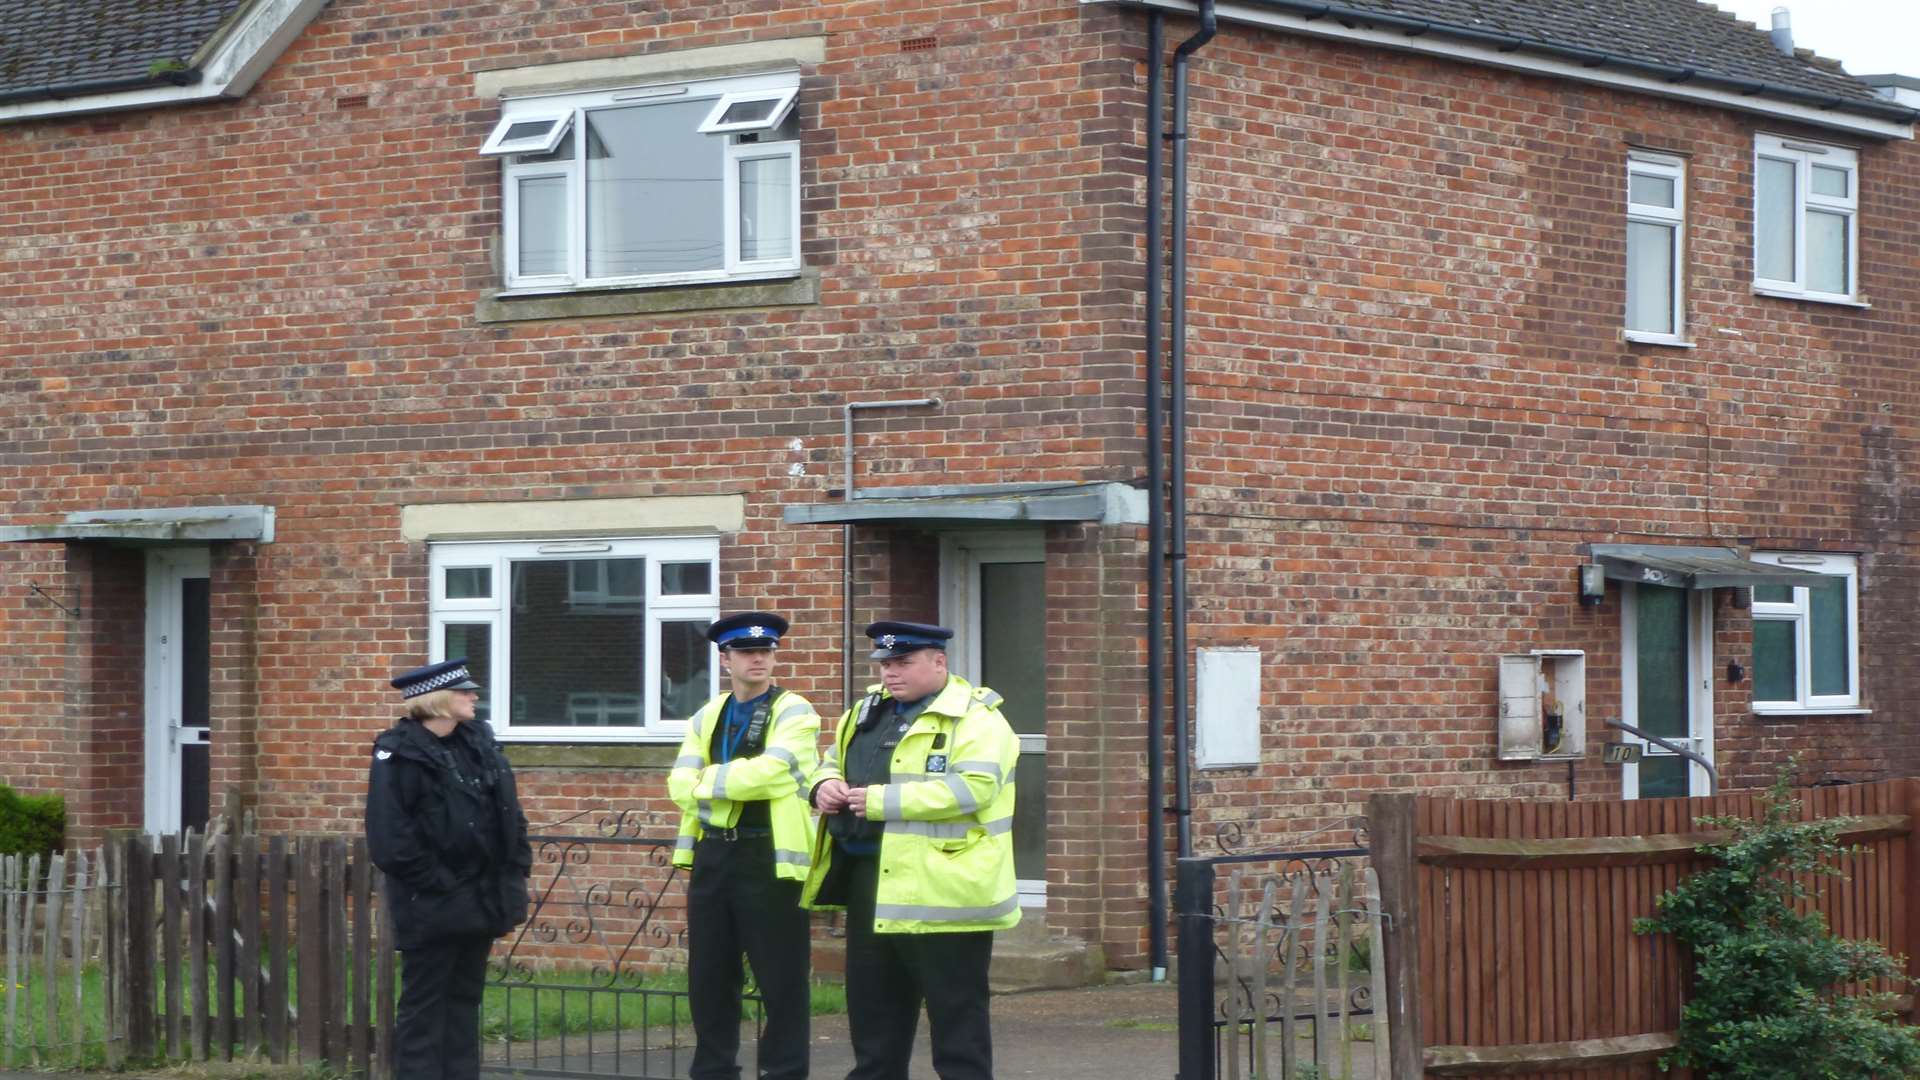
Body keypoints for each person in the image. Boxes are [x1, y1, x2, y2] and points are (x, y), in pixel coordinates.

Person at [803, 620, 1020, 1080]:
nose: (890, 673)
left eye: (903, 662)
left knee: (957, 1020)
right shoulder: (865, 712)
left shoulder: (978, 718)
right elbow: (829, 762)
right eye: (884, 663)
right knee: (874, 1013)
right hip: (872, 882)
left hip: (944, 888)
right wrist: (823, 786)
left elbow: (975, 789)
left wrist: (880, 800)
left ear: (938, 662)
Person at [668, 612, 821, 1080]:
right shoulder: (706, 714)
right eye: (748, 652)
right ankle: (712, 1070)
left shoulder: (795, 710)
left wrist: (705, 781)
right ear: (725, 659)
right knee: (710, 978)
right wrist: (708, 783)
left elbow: (773, 773)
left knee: (782, 980)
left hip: (770, 855)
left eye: (767, 651)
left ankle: (784, 1071)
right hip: (713, 855)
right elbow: (676, 782)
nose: (759, 659)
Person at [364, 657, 532, 1080]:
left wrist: (514, 864)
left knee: (464, 1002)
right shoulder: (399, 754)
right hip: (433, 903)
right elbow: (391, 839)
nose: (474, 697)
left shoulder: (478, 744)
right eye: (464, 691)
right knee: (425, 1006)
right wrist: (442, 884)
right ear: (438, 700)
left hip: (481, 896)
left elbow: (507, 813)